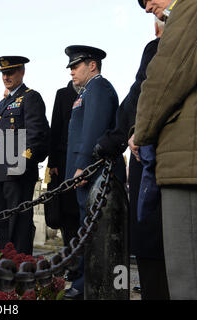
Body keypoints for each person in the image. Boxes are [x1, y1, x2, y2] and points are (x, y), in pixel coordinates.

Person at [93, 5, 170, 299]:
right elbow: (137, 96)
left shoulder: (165, 45)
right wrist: (119, 137)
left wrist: (138, 130)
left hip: (164, 158)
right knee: (150, 240)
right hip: (146, 155)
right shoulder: (154, 49)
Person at [133, 0, 197, 300]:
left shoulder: (189, 8)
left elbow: (164, 78)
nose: (147, 7)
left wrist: (141, 133)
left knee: (186, 280)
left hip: (186, 164)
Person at [64, 45, 126, 299]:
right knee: (86, 227)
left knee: (95, 229)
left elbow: (93, 129)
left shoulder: (99, 87)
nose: (71, 72)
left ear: (92, 65)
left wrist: (83, 165)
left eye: (75, 66)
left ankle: (88, 281)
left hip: (96, 171)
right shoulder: (87, 91)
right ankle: (85, 279)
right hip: (89, 172)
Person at [0, 56, 50, 255]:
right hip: (0, 173)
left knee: (19, 225)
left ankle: (20, 268)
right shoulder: (2, 103)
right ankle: (5, 267)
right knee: (2, 225)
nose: (6, 77)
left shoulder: (30, 97)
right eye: (3, 73)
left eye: (11, 72)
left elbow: (37, 134)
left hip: (18, 172)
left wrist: (23, 162)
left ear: (22, 72)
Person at [47, 80, 80, 248]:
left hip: (87, 161)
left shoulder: (94, 92)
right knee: (67, 213)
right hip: (64, 161)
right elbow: (56, 128)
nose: (72, 71)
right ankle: (71, 257)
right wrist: (52, 163)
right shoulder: (63, 94)